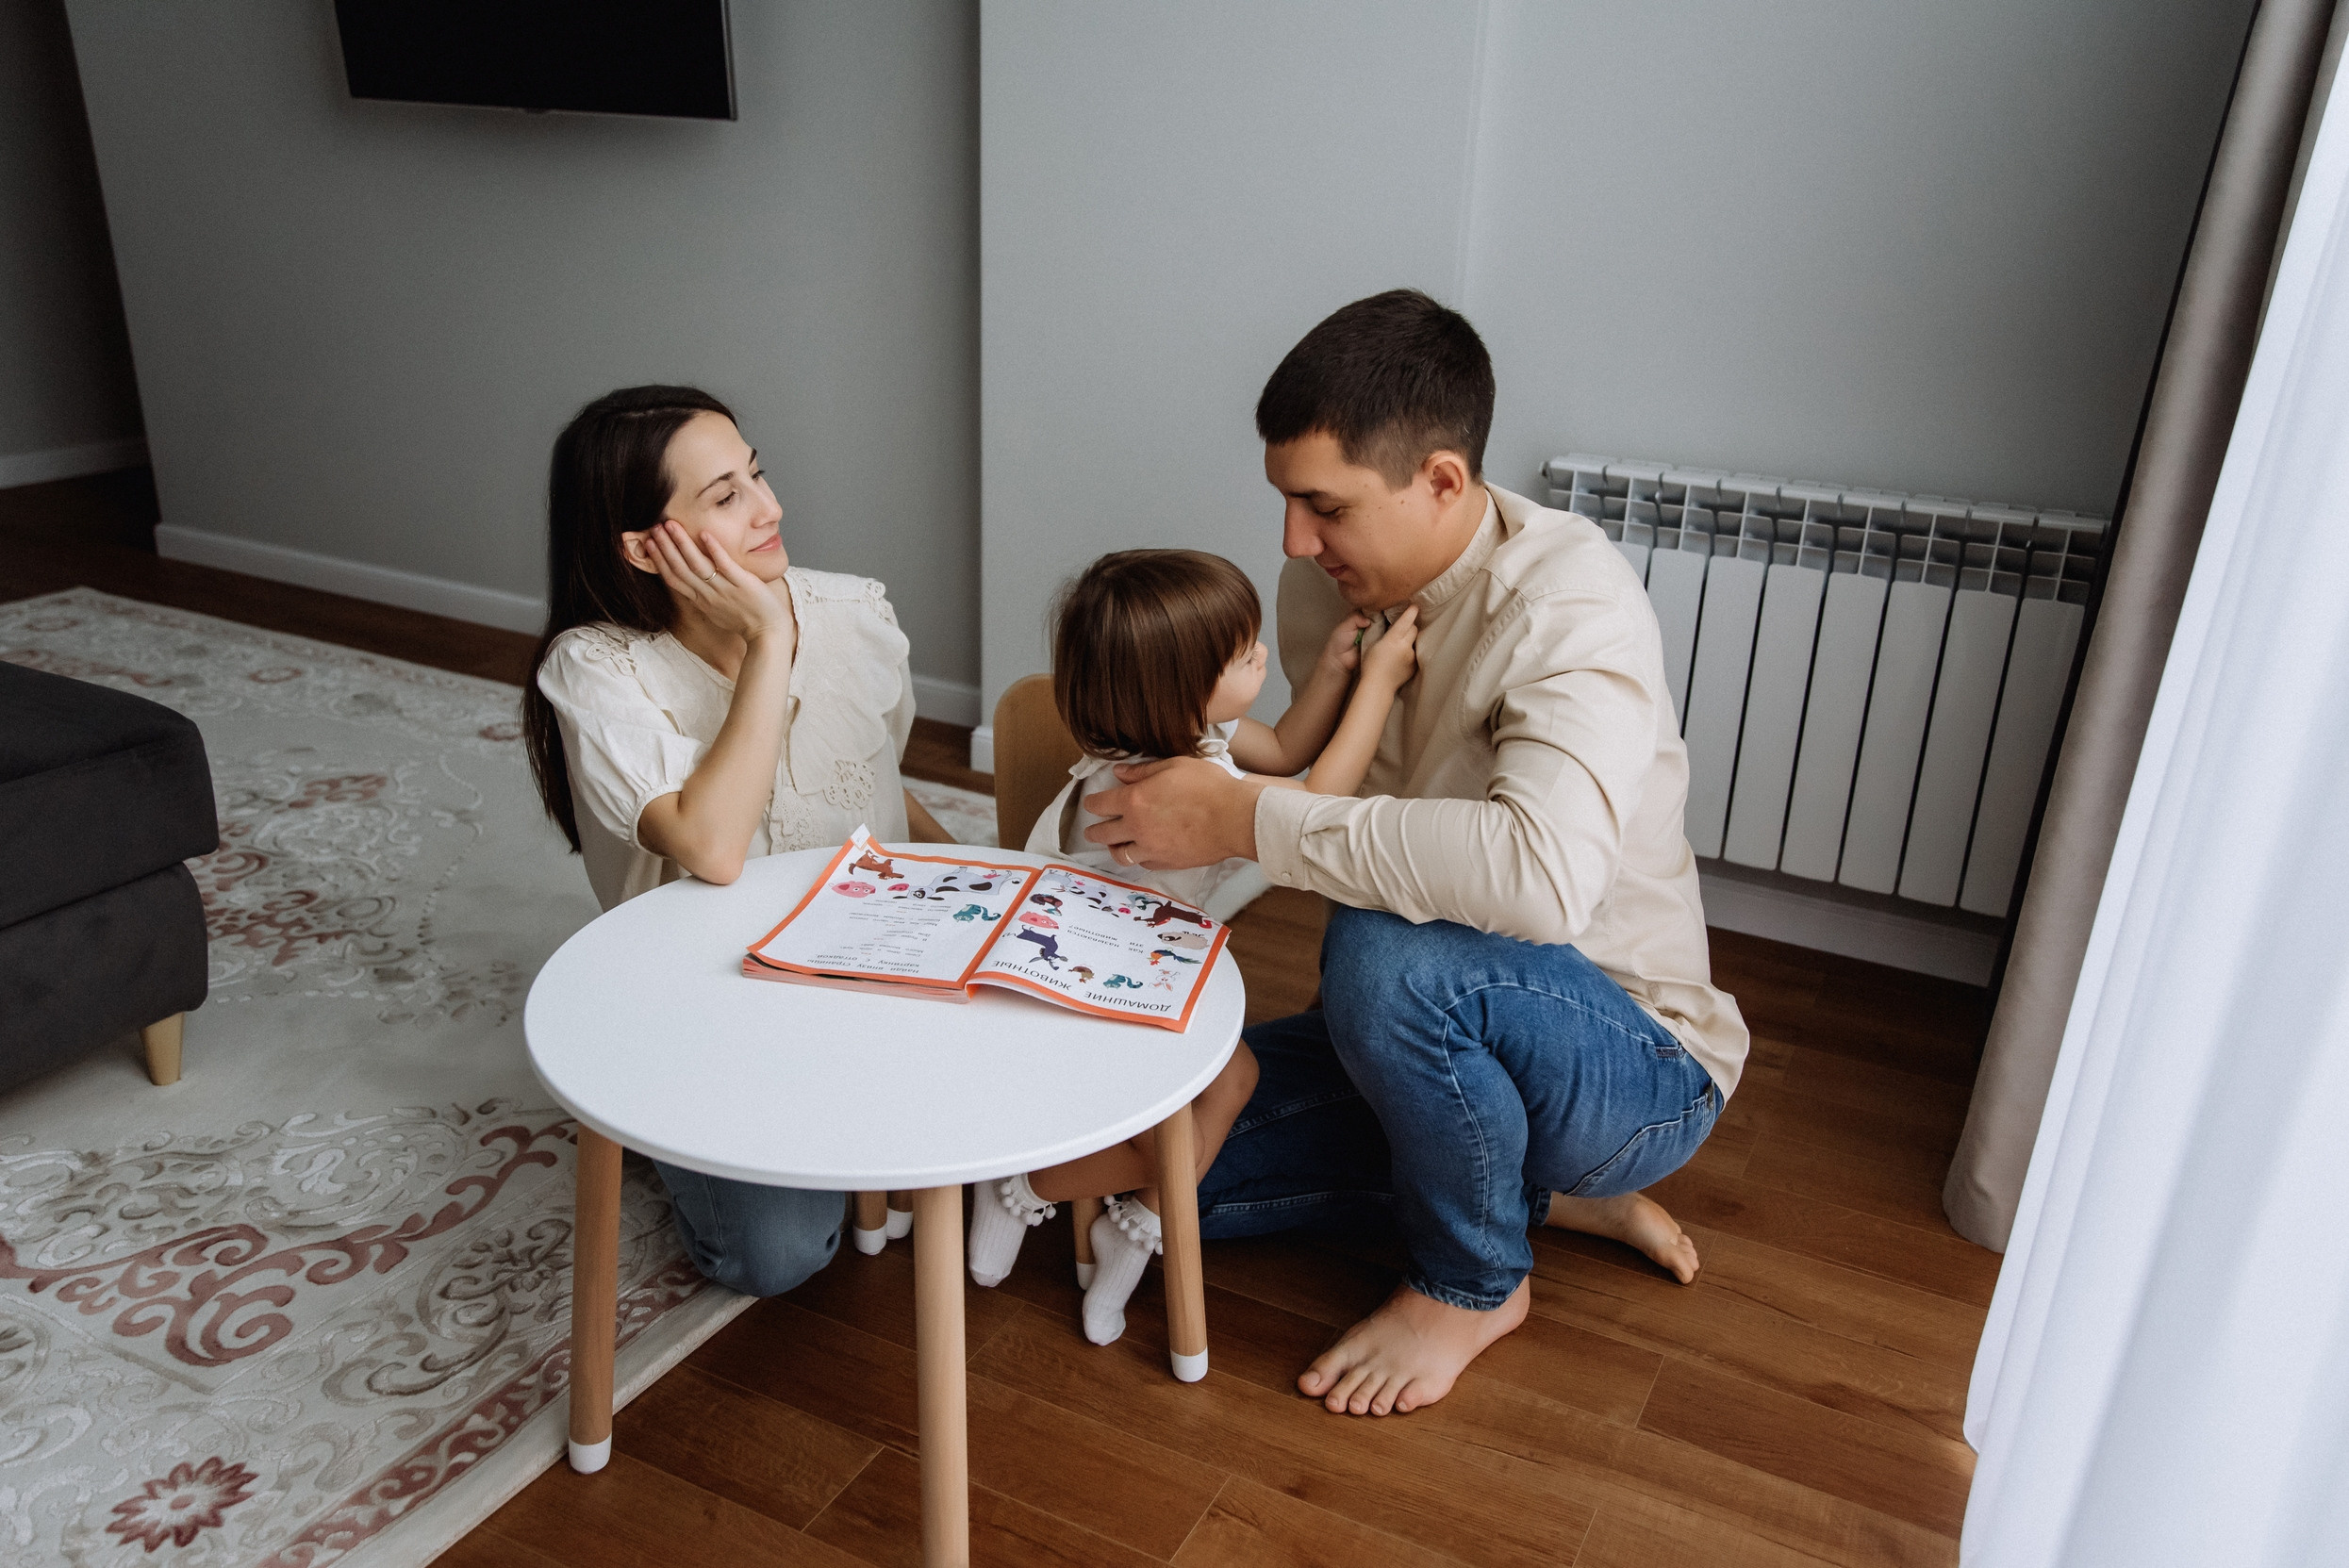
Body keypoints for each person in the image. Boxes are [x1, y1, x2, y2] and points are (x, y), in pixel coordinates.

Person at [1080, 291, 1751, 1418]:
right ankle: (1522, 1190)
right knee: (1141, 1174)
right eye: (1286, 502)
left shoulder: (1571, 605)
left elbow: (1538, 882)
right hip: (1434, 1034)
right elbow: (1324, 786)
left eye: (1323, 506)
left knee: (1387, 952)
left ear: (1442, 480)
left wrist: (1240, 819)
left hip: (1630, 1055)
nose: (1295, 539)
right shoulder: (1326, 583)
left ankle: (1474, 1279)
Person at [521, 384, 954, 1299]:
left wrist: (979, 883)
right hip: (701, 1000)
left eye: (756, 474)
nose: (771, 508)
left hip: (859, 958)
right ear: (646, 546)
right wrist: (766, 645)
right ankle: (650, 1119)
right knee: (781, 1252)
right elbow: (712, 849)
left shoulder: (857, 612)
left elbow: (875, 781)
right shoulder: (595, 668)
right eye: (725, 497)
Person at [971, 547, 1421, 1346]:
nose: (1259, 656)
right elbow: (1317, 801)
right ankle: (1022, 1180)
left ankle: (1126, 1221)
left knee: (1212, 1101)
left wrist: (1330, 671)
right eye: (1244, 653)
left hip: (1142, 962)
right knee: (1212, 1098)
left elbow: (1282, 750)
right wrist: (1379, 682)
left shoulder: (1183, 735)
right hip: (1095, 981)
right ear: (1180, 695)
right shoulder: (1163, 784)